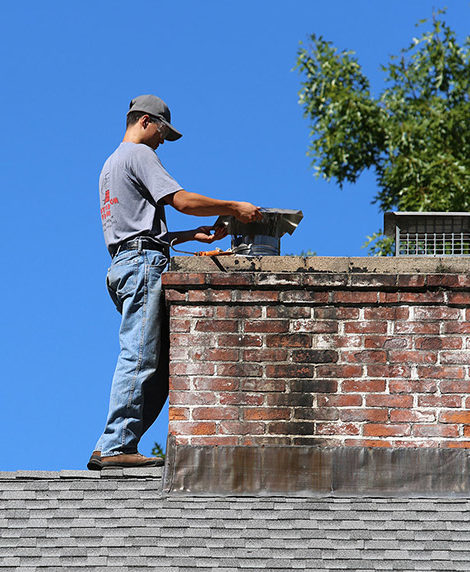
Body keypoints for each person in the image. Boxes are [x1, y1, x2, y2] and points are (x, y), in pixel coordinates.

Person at [88, 94, 262, 469]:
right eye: (163, 132)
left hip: (127, 262)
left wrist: (187, 236)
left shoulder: (110, 164)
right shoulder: (139, 155)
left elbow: (134, 228)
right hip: (142, 265)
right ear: (146, 121)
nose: (163, 141)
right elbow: (180, 200)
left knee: (160, 363)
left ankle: (118, 443)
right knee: (140, 355)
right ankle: (116, 444)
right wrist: (234, 207)